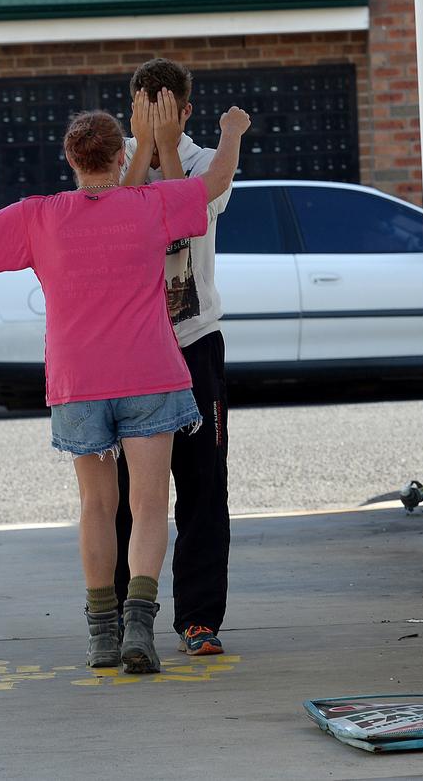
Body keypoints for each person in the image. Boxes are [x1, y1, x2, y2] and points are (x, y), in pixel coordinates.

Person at [0, 101, 250, 674]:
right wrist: (231, 131)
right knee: (149, 506)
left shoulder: (38, 215)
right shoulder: (150, 204)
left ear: (70, 160)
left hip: (77, 384)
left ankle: (102, 634)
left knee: (97, 505)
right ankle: (139, 628)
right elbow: (217, 180)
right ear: (122, 159)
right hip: (150, 374)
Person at [116, 59, 235, 656]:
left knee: (202, 483)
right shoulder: (114, 161)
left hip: (194, 344)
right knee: (125, 491)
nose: (153, 120)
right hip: (131, 350)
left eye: (164, 109)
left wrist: (166, 147)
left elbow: (183, 216)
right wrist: (142, 145)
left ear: (186, 111)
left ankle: (198, 618)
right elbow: (111, 219)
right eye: (142, 109)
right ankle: (120, 614)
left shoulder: (207, 163)